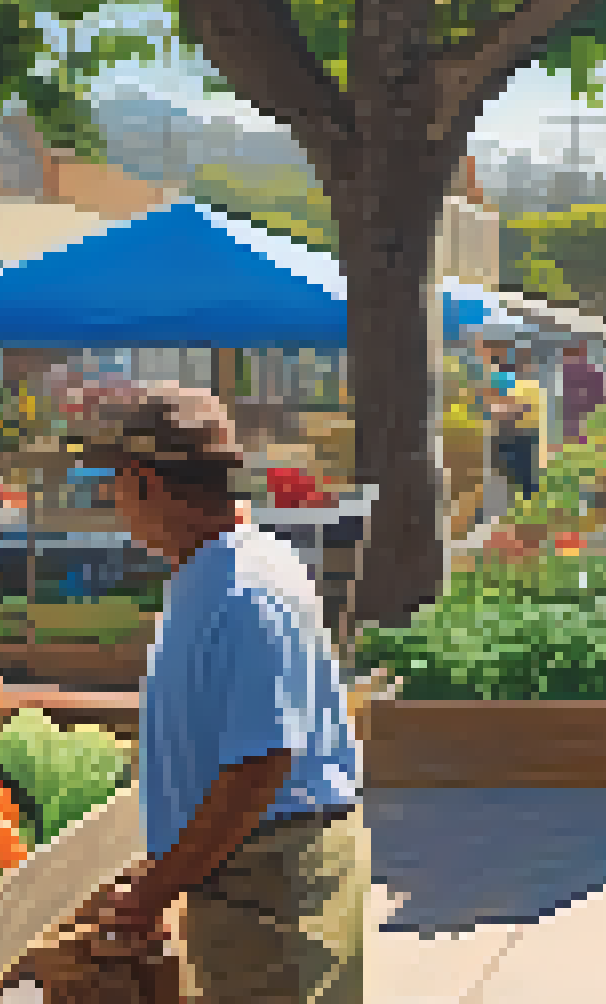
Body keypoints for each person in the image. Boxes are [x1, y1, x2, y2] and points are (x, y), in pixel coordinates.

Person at [68, 380, 364, 1004]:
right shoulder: (218, 568)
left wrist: (153, 891)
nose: (114, 500)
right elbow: (222, 723)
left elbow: (260, 765)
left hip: (271, 882)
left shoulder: (243, 591)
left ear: (146, 481)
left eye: (117, 481)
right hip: (247, 870)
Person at [480, 342, 544, 503]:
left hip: (520, 432)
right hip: (515, 430)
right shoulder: (519, 382)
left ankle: (526, 498)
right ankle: (521, 497)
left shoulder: (524, 384)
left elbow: (520, 408)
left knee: (521, 468)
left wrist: (501, 411)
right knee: (513, 467)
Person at [558, 344, 606, 446]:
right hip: (575, 411)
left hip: (585, 410)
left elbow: (598, 391)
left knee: (583, 433)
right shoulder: (567, 372)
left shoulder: (588, 372)